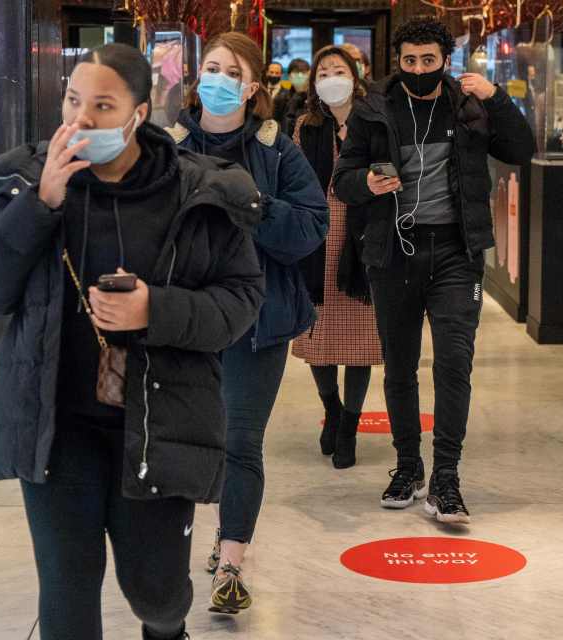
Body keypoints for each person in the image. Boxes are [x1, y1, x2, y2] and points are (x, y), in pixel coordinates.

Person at [0, 44, 265, 640]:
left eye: (102, 105)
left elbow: (242, 300)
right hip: (57, 429)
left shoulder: (197, 191)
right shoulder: (31, 182)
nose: (82, 119)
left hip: (159, 424)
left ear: (139, 113)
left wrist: (156, 308)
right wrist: (40, 202)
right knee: (67, 595)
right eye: (74, 101)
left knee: (158, 596)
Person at [333, 18, 534, 524]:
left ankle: (446, 477)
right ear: (396, 62)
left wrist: (497, 100)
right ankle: (407, 466)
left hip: (455, 252)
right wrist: (367, 183)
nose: (418, 69)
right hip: (393, 250)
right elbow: (343, 180)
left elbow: (520, 150)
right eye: (409, 61)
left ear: (446, 60)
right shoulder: (374, 108)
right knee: (400, 366)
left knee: (453, 364)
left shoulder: (467, 105)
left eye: (428, 60)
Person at [166, 32, 328, 615]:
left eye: (233, 72)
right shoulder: (168, 144)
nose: (220, 79)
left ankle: (232, 560)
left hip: (256, 321)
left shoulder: (277, 149)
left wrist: (252, 204)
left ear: (253, 86)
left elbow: (312, 228)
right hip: (182, 319)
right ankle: (179, 549)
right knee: (184, 442)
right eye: (212, 67)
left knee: (239, 441)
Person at [291, 45, 382, 469]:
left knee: (361, 343)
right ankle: (331, 408)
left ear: (356, 75)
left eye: (338, 70)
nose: (331, 77)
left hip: (363, 237)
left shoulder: (375, 121)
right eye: (323, 71)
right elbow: (292, 182)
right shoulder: (305, 127)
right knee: (319, 339)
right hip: (318, 238)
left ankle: (350, 425)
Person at [278, 58, 311, 134]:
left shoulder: (315, 99)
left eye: (303, 72)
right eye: (296, 72)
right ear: (289, 76)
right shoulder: (281, 98)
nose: (300, 76)